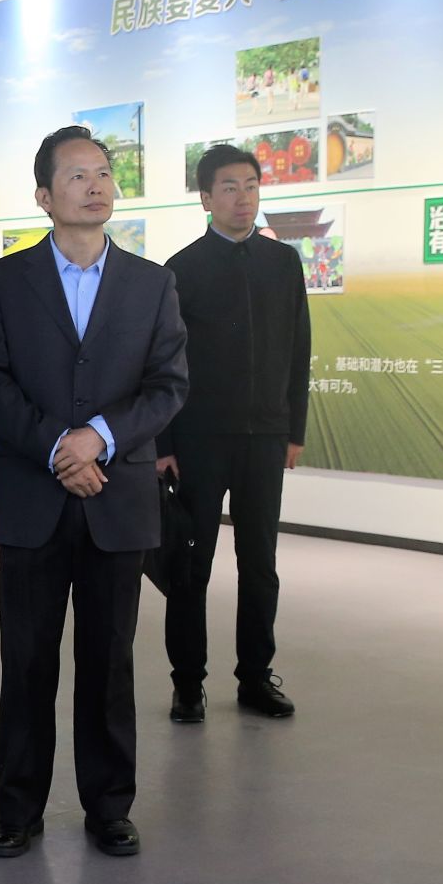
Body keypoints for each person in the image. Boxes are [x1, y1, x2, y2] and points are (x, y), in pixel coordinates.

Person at [0, 126, 188, 859]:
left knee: (109, 662)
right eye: (76, 176)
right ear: (43, 195)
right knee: (26, 662)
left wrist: (99, 436)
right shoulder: (3, 282)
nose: (95, 186)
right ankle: (18, 808)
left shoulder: (152, 284)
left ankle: (110, 807)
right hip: (33, 501)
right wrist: (60, 447)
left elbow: (168, 386)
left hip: (117, 501)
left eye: (103, 174)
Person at [158, 145, 310, 723]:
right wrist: (164, 445)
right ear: (205, 198)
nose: (242, 198)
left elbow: (299, 350)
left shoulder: (283, 262)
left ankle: (255, 678)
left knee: (260, 565)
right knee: (190, 565)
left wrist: (293, 429)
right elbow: (162, 364)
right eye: (228, 187)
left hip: (265, 438)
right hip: (198, 440)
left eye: (250, 186)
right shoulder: (181, 269)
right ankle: (187, 683)